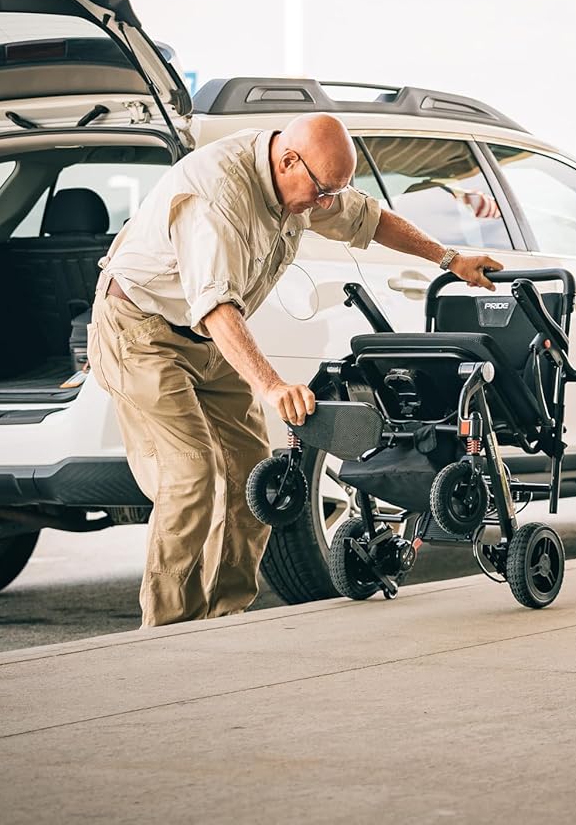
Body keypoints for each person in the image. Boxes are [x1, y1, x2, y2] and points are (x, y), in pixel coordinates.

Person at [88, 113, 503, 627]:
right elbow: (216, 306)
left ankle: (223, 618)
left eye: (334, 192)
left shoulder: (303, 180)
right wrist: (271, 385)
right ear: (288, 161)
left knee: (252, 477)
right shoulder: (217, 197)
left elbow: (370, 219)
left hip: (206, 337)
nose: (326, 205)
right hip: (142, 331)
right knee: (192, 474)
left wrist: (449, 259)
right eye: (322, 191)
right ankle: (167, 632)